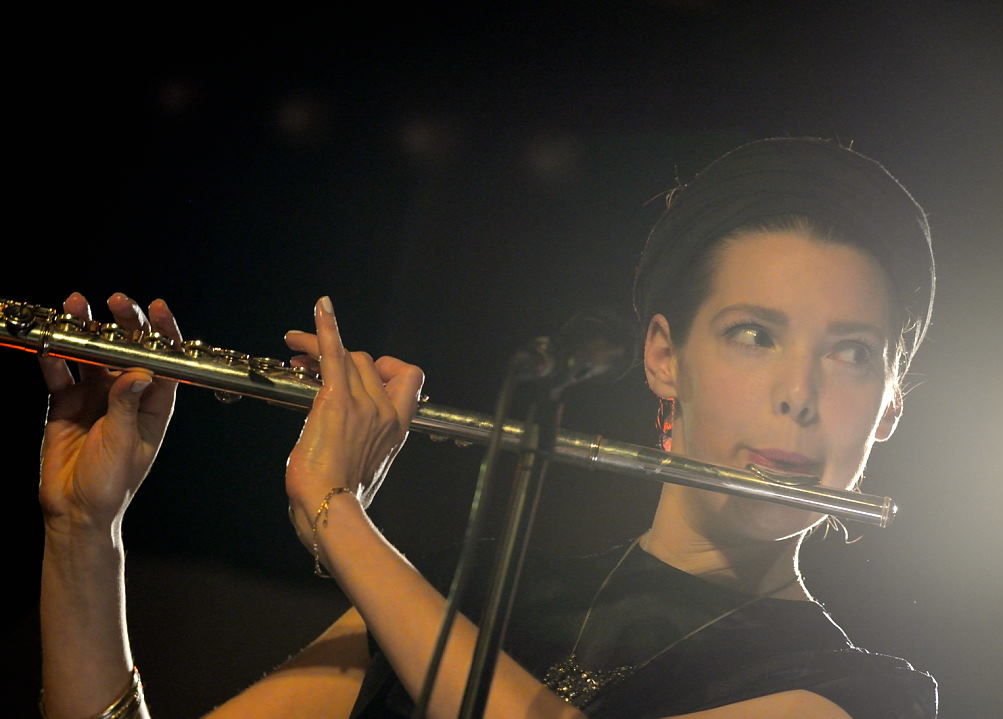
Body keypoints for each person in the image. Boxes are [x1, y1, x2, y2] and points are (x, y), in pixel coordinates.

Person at [37, 137, 937, 719]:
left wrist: (337, 514)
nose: (799, 394)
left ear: (890, 405)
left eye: (852, 353)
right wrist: (85, 533)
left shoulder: (864, 696)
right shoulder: (464, 598)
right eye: (754, 334)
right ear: (665, 357)